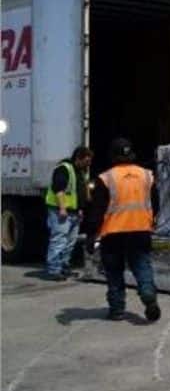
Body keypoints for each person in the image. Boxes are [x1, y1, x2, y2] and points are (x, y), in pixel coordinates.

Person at [83, 138, 160, 322]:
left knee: (114, 271)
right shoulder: (146, 175)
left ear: (113, 156)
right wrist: (151, 220)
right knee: (142, 266)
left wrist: (91, 235)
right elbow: (156, 203)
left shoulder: (106, 178)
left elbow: (97, 210)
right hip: (141, 229)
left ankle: (117, 309)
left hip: (113, 234)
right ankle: (148, 293)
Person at [44, 146, 93, 280]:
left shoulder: (80, 172)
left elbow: (79, 193)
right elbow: (58, 189)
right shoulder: (64, 168)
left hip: (74, 212)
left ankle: (64, 267)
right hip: (61, 211)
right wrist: (62, 208)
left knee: (70, 242)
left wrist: (80, 209)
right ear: (79, 158)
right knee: (59, 240)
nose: (88, 164)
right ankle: (54, 270)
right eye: (86, 161)